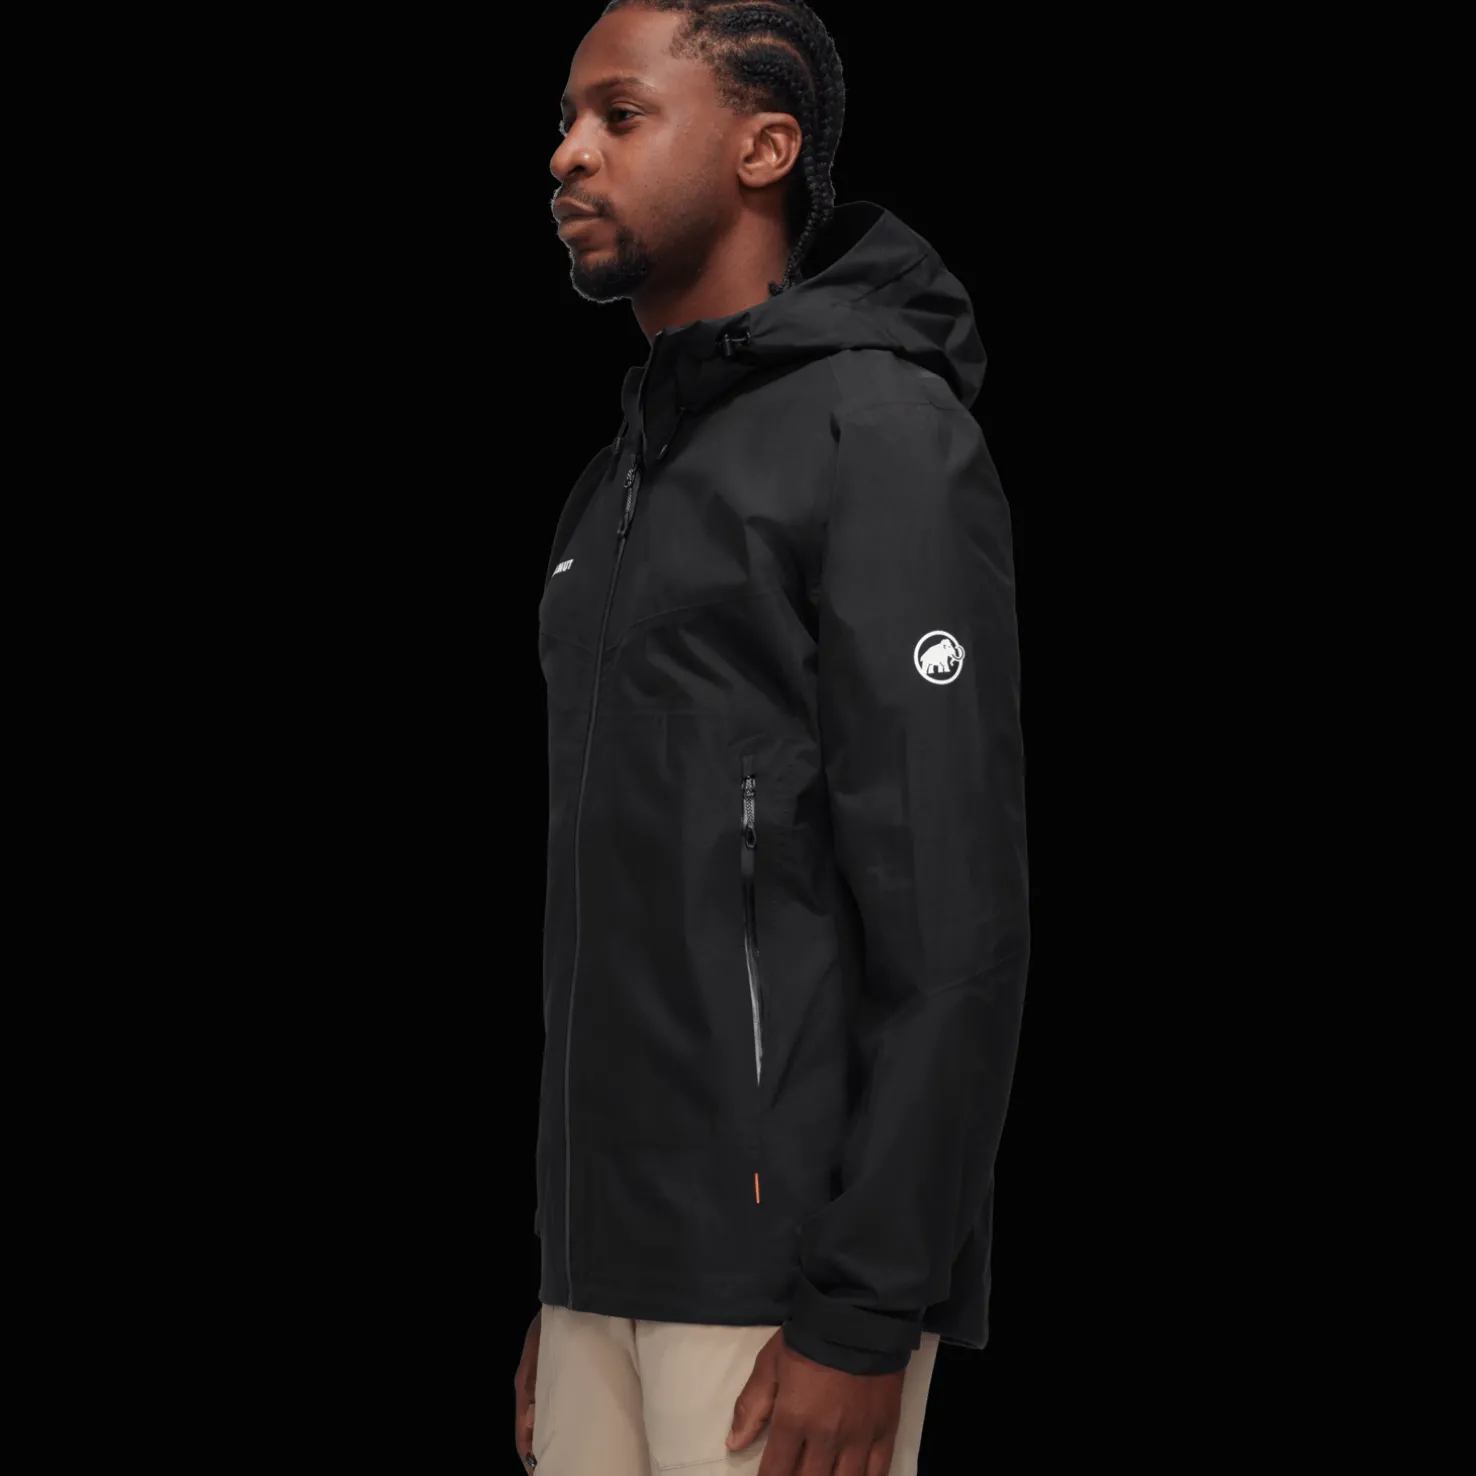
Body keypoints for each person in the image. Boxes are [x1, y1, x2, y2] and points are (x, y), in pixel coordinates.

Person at [516, 3, 1029, 1471]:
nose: (568, 154)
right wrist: (569, 1281)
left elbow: (956, 926)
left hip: (781, 1296)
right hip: (606, 1277)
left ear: (765, 146)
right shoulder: (619, 484)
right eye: (565, 121)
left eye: (620, 115)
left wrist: (867, 1308)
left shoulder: (880, 435)